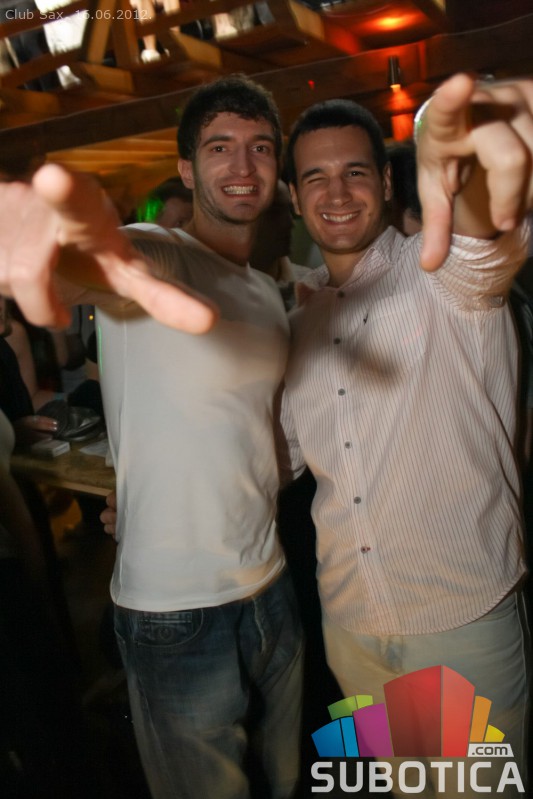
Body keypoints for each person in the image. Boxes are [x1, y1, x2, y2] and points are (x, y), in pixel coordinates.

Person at [0, 75, 304, 799]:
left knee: (288, 782)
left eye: (260, 147)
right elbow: (100, 267)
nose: (243, 164)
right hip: (176, 612)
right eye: (220, 147)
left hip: (271, 584)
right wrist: (47, 249)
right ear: (185, 170)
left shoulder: (265, 291)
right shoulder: (155, 253)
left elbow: (250, 435)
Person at [277, 74, 532, 796]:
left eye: (355, 172)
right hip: (352, 626)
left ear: (388, 183)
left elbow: (483, 242)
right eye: (315, 177)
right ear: (293, 197)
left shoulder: (442, 276)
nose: (336, 193)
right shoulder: (296, 326)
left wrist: (471, 164)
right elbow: (279, 460)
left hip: (458, 620)